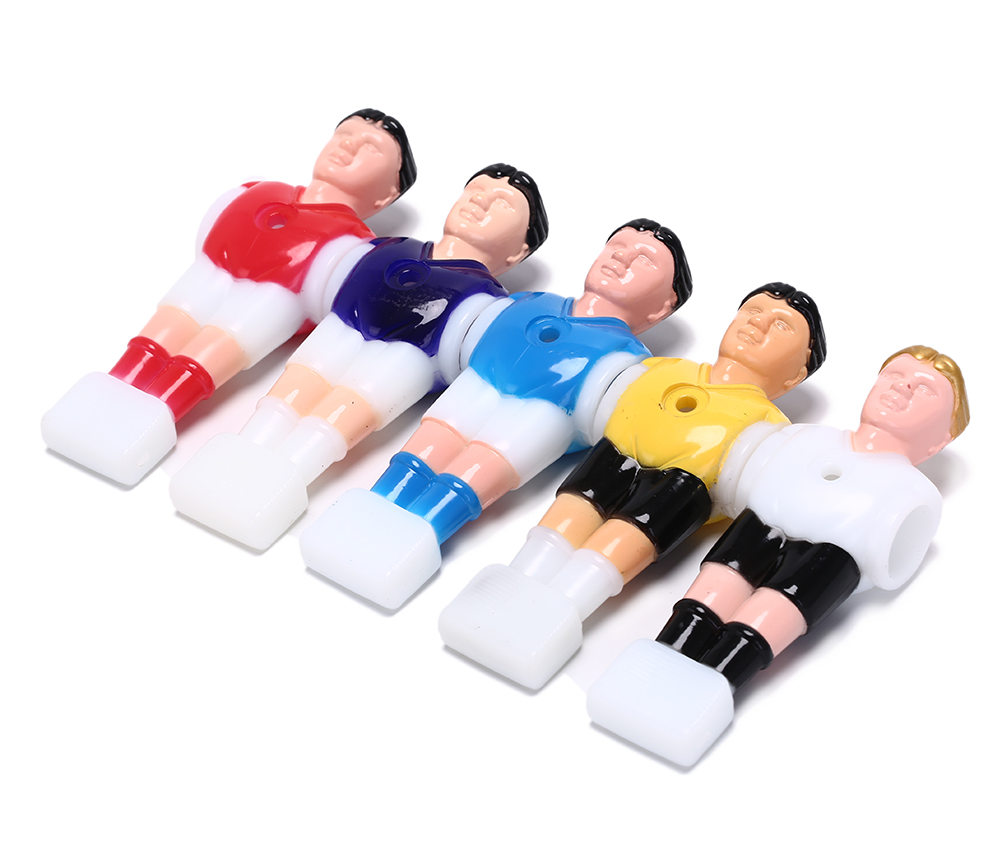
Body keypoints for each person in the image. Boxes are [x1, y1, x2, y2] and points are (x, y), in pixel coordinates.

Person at [586, 345, 969, 766]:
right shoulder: (807, 436)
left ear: (940, 441)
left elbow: (884, 558)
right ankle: (662, 657)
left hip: (829, 560)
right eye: (894, 376)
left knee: (765, 619)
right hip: (758, 527)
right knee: (709, 598)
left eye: (925, 390)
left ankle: (714, 684)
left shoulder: (914, 492)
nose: (902, 389)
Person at [438, 283, 825, 689]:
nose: (757, 325)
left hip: (683, 487)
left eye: (781, 326)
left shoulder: (770, 427)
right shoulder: (664, 369)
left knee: (615, 546)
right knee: (562, 524)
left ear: (797, 375)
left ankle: (561, 611)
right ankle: (510, 587)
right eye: (752, 311)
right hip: (614, 453)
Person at [300, 220, 693, 608]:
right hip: (480, 381)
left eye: (644, 260)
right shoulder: (530, 302)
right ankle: (372, 509)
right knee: (425, 449)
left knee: (475, 470)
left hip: (544, 412)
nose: (621, 259)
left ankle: (420, 533)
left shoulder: (629, 359)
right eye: (617, 246)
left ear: (663, 307)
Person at [168, 164, 548, 549]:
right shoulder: (389, 247)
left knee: (338, 416)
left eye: (502, 204)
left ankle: (285, 478)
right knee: (288, 396)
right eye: (475, 191)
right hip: (342, 327)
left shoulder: (486, 301)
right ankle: (238, 457)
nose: (479, 203)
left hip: (407, 356)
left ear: (519, 252)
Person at [41, 108, 414, 485]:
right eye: (344, 133)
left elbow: (328, 295)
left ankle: (154, 412)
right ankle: (109, 392)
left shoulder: (355, 244)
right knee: (161, 333)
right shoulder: (258, 191)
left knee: (212, 348)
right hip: (209, 273)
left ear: (386, 196)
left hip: (273, 299)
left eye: (371, 148)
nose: (348, 146)